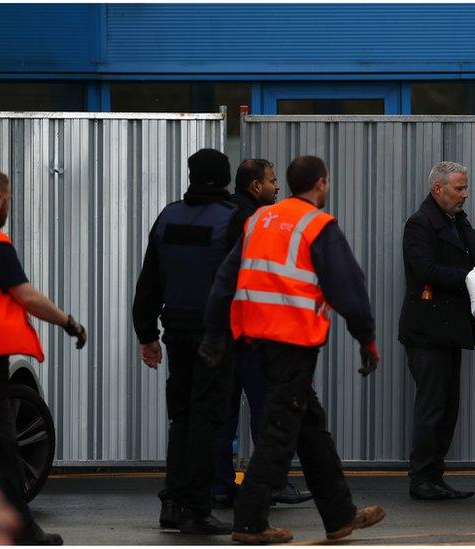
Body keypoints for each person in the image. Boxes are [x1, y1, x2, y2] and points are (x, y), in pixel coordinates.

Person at [204, 155, 384, 544]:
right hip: (291, 343)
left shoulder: (259, 220)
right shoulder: (317, 225)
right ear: (321, 184)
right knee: (280, 432)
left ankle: (339, 516)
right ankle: (249, 522)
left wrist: (214, 334)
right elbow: (349, 290)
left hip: (252, 341)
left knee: (309, 427)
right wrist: (366, 340)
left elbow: (225, 278)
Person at [132, 148, 241, 535]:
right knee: (208, 420)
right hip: (216, 337)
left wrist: (147, 336)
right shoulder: (232, 220)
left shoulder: (168, 216)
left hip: (176, 334)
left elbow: (149, 283)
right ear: (225, 178)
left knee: (182, 418)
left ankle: (173, 504)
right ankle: (197, 508)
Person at [212, 159, 311, 508]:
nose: (277, 187)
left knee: (224, 413)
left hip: (223, 331)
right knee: (268, 408)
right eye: (271, 181)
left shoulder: (223, 215)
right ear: (255, 186)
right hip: (253, 332)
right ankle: (272, 482)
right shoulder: (256, 220)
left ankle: (221, 483)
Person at [398, 161, 475, 500]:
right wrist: (471, 278)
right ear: (438, 189)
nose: (465, 195)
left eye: (465, 188)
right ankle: (421, 479)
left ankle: (434, 475)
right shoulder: (419, 224)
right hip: (427, 331)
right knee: (433, 404)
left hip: (449, 330)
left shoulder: (458, 221)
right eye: (459, 189)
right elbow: (425, 268)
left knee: (447, 405)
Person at [0, 170, 87, 544]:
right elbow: (27, 296)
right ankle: (22, 530)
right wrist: (69, 323)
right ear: (0, 201)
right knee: (4, 446)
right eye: (10, 199)